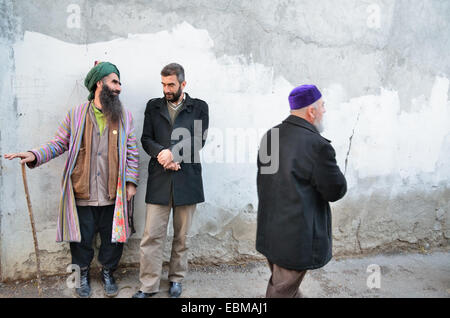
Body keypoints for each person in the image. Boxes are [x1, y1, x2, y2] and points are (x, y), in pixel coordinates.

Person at [4, 61, 139, 298]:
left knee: (113, 240)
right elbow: (59, 144)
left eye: (119, 82)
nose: (119, 87)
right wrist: (34, 154)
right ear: (99, 83)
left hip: (113, 193)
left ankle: (108, 272)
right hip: (81, 191)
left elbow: (132, 152)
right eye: (114, 81)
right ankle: (80, 276)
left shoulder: (124, 116)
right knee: (80, 241)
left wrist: (130, 183)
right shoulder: (76, 115)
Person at [256, 84, 347, 298]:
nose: (324, 111)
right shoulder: (317, 146)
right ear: (311, 111)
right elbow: (335, 191)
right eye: (322, 106)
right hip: (295, 239)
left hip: (270, 232)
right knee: (281, 291)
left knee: (287, 288)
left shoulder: (270, 136)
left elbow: (269, 182)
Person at [133, 63, 209, 298]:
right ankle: (148, 285)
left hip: (187, 179)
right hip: (160, 178)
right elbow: (146, 139)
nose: (166, 89)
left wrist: (173, 154)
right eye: (163, 84)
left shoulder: (199, 107)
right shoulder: (153, 106)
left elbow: (198, 139)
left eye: (171, 84)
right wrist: (162, 155)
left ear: (183, 84)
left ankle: (176, 279)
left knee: (182, 236)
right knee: (151, 236)